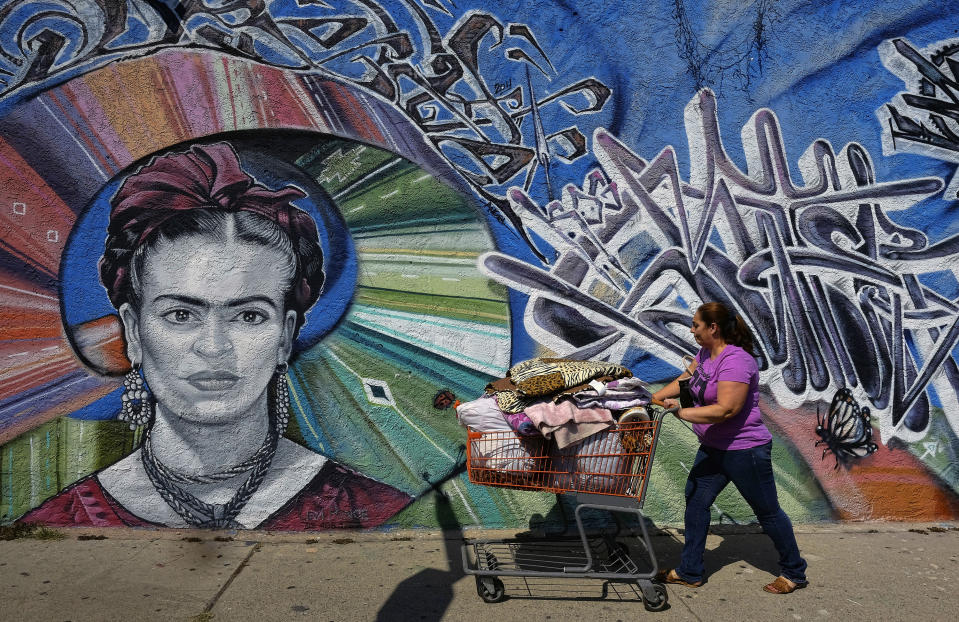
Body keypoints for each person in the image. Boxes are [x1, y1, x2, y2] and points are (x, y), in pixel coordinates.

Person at [22, 142, 411, 529]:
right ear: (134, 332)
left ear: (285, 336)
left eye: (248, 316)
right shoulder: (57, 526)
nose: (213, 346)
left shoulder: (379, 514)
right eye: (180, 314)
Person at [651, 302, 808, 594]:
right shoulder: (705, 354)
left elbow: (726, 410)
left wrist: (679, 412)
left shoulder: (737, 361)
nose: (691, 329)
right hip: (713, 447)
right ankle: (690, 571)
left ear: (713, 328)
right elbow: (686, 381)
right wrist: (653, 397)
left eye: (696, 324)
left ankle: (794, 572)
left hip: (744, 449)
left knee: (768, 512)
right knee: (696, 502)